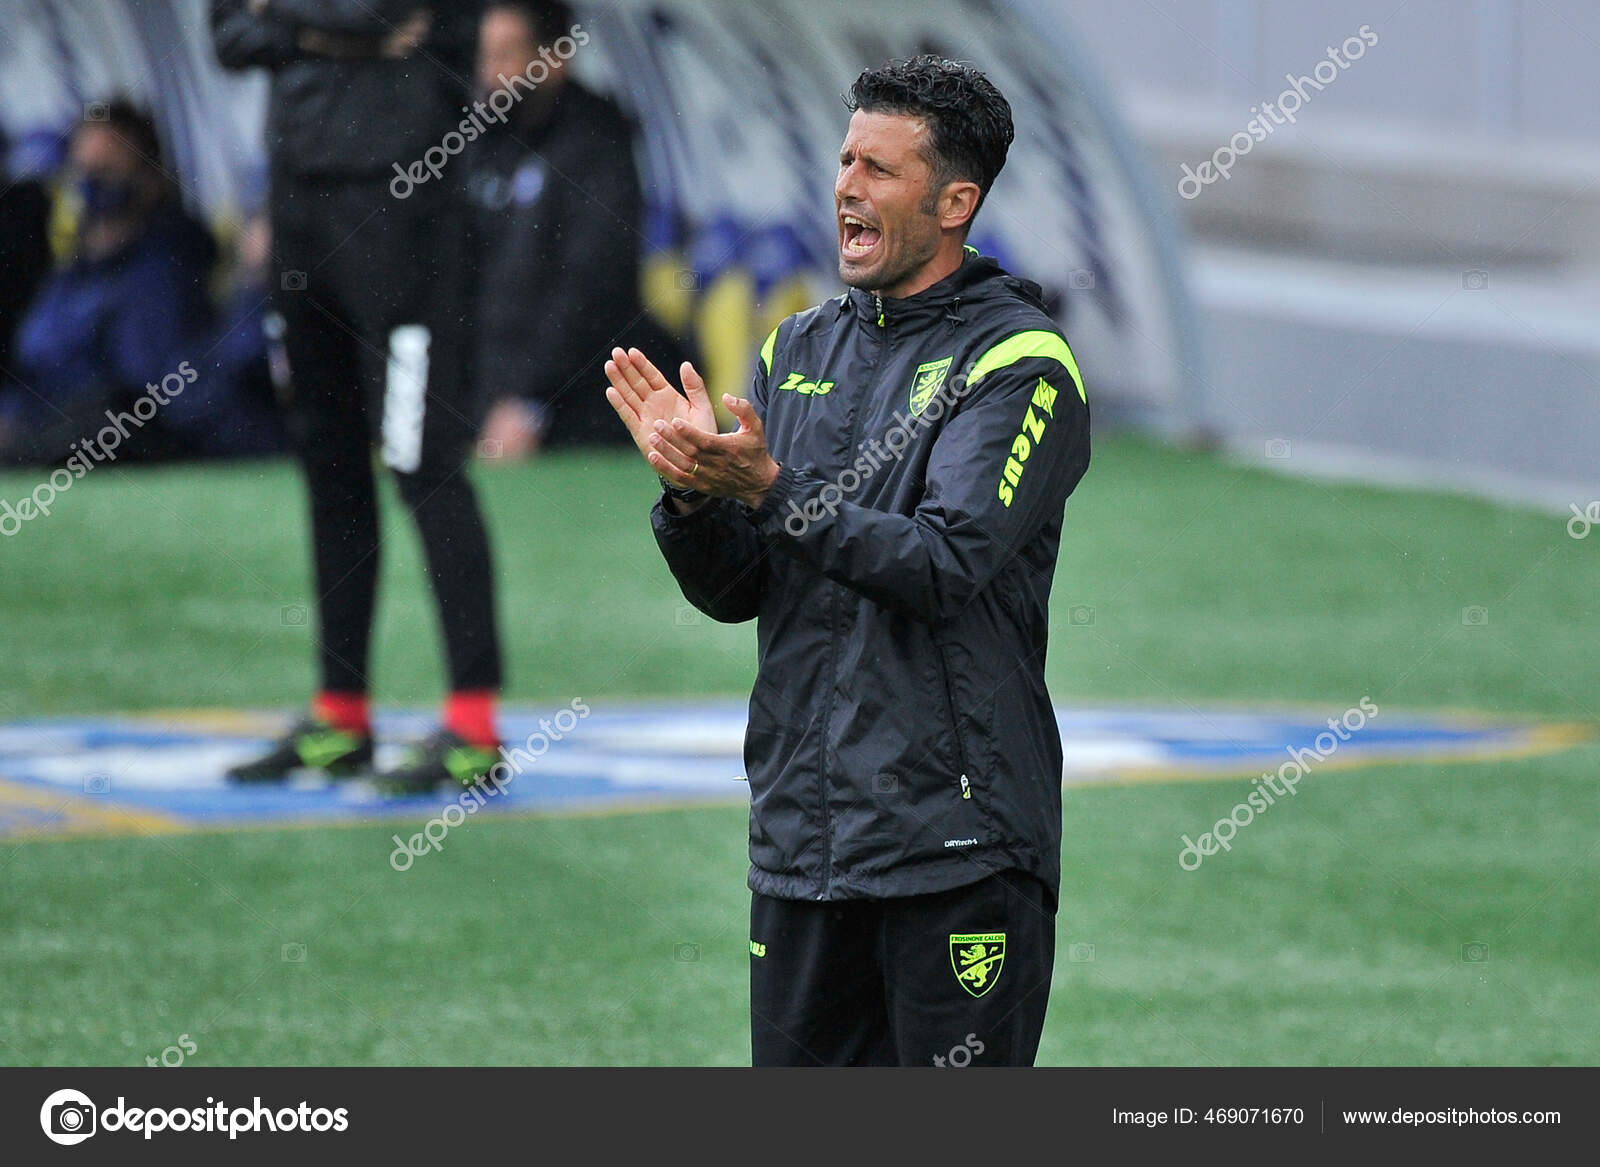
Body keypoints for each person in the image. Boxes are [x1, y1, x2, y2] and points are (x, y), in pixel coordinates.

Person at [606, 56, 1091, 1066]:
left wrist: (767, 489)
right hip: (803, 844)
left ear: (954, 201)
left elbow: (941, 564)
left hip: (953, 852)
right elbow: (739, 590)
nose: (846, 188)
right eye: (844, 160)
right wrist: (693, 494)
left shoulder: (1017, 365)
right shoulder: (796, 351)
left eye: (878, 168)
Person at [213, 1, 507, 792]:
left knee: (423, 462)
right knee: (329, 465)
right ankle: (341, 714)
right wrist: (344, 33)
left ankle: (474, 726)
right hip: (300, 209)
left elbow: (384, 10)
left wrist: (295, 21)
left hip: (404, 212)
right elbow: (228, 35)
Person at [468, 0, 685, 457]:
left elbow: (591, 285)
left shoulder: (597, 137)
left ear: (553, 57)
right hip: (485, 394)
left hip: (583, 405)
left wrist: (529, 402)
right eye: (486, 55)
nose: (491, 74)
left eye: (507, 55)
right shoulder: (478, 139)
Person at [6, 102, 216, 465]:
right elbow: (32, 361)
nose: (91, 183)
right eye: (84, 170)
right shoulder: (71, 269)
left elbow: (141, 395)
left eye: (106, 170)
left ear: (149, 177)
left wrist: (28, 436)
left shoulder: (163, 269)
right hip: (41, 432)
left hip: (105, 445)